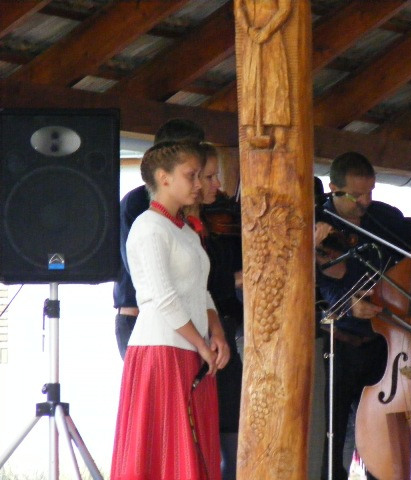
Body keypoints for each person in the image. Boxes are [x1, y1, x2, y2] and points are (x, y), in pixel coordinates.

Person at [315, 151, 411, 480]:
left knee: (383, 432)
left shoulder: (383, 217)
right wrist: (348, 306)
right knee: (333, 435)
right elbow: (317, 283)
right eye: (356, 195)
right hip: (339, 345)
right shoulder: (318, 224)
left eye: (370, 192)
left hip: (382, 342)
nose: (365, 202)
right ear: (333, 189)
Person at [110, 141, 230, 479]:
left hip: (190, 347)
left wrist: (217, 333)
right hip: (161, 350)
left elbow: (200, 291)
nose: (198, 184)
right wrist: (201, 343)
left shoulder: (185, 229)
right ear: (163, 177)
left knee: (191, 449)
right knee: (164, 449)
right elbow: (163, 298)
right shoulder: (148, 226)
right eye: (191, 175)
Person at [113, 119, 205, 359]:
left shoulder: (183, 211)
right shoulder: (138, 205)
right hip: (142, 319)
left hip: (182, 324)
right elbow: (148, 275)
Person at [185, 142, 244, 480]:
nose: (218, 185)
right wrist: (239, 278)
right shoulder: (180, 229)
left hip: (221, 329)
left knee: (231, 423)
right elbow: (200, 285)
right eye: (208, 177)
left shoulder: (210, 225)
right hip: (195, 335)